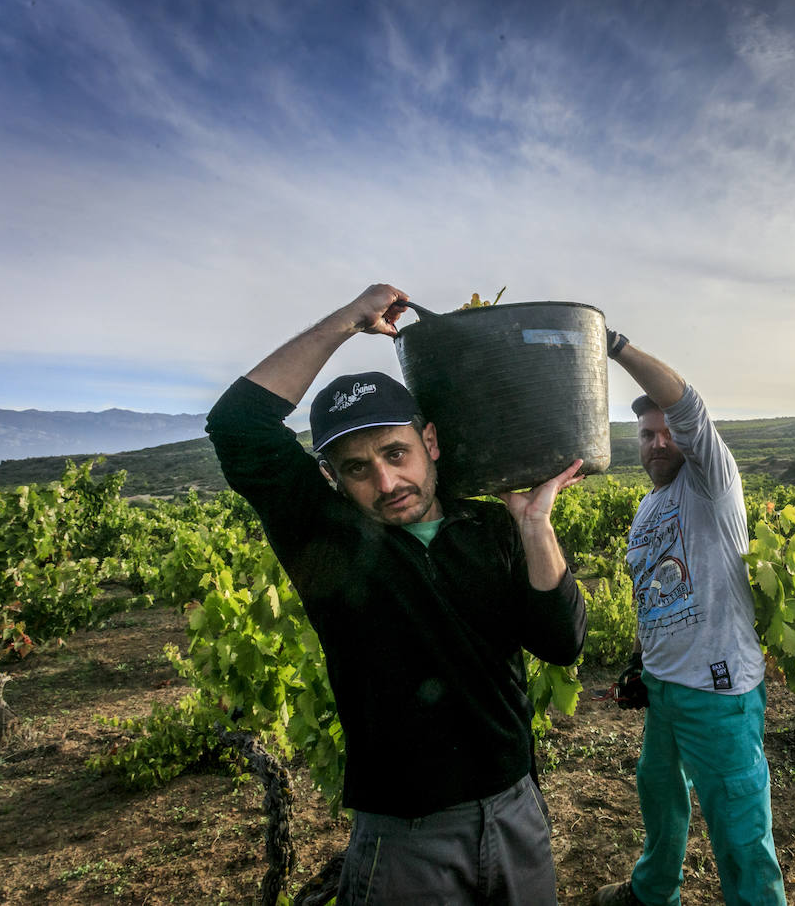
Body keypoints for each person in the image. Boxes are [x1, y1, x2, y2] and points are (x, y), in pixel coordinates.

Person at [205, 283, 586, 905]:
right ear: (331, 478)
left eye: (395, 452)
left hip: (517, 810)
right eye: (357, 468)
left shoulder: (492, 527)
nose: (386, 481)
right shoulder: (326, 540)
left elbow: (562, 643)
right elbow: (237, 423)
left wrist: (535, 526)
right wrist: (348, 320)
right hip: (407, 838)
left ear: (430, 444)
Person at [592, 329, 786, 906]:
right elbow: (651, 591)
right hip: (666, 687)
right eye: (647, 434)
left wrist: (616, 346)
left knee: (740, 827)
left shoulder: (712, 484)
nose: (658, 442)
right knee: (659, 796)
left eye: (669, 432)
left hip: (718, 692)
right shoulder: (648, 508)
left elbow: (688, 407)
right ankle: (653, 893)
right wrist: (639, 662)